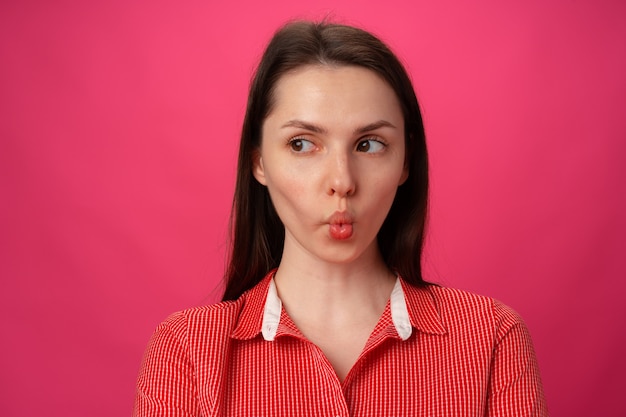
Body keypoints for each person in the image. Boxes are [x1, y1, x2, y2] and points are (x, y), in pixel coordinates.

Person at [134, 20, 548, 417]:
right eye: (301, 144)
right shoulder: (187, 351)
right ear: (259, 163)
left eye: (369, 144)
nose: (342, 181)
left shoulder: (491, 340)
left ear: (406, 161)